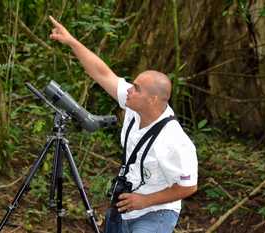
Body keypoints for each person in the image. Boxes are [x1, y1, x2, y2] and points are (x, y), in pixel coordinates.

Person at [49, 16, 198, 233]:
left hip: (156, 212)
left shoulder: (174, 141)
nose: (129, 89)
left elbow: (189, 186)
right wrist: (72, 41)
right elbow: (101, 73)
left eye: (136, 87)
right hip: (124, 205)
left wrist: (145, 200)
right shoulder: (133, 106)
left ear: (153, 99)